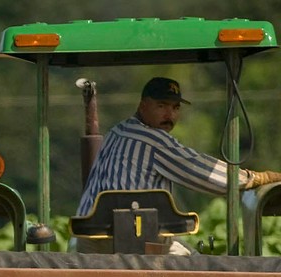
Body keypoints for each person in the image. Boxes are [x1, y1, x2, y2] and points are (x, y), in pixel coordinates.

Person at [75, 77, 281, 253]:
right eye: (161, 106)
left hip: (86, 241)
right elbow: (202, 172)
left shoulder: (117, 131)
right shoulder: (154, 140)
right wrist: (253, 178)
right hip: (129, 240)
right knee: (200, 270)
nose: (169, 115)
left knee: (182, 249)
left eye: (175, 108)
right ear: (143, 105)